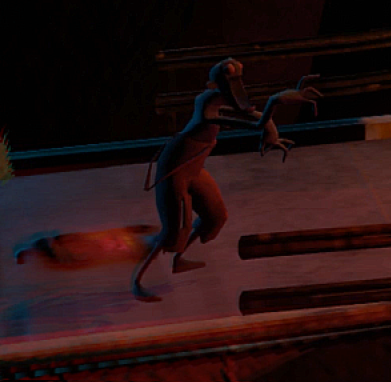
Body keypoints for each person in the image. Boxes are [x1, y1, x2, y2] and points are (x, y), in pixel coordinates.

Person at [131, 58, 321, 301]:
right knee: (175, 230)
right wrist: (276, 100)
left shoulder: (215, 99)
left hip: (195, 170)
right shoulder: (207, 111)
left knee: (215, 216)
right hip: (176, 171)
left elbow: (251, 113)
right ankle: (138, 280)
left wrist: (272, 132)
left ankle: (178, 260)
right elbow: (257, 123)